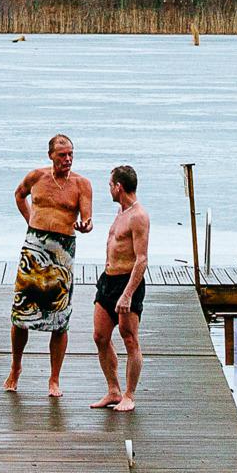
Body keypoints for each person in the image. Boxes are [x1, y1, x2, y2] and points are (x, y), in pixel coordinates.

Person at [6, 134, 92, 395]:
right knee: (21, 313)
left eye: (71, 155)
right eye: (62, 155)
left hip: (62, 252)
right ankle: (15, 367)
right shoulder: (37, 177)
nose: (67, 159)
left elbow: (87, 217)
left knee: (60, 318)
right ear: (51, 155)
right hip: (34, 247)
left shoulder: (82, 184)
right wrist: (31, 219)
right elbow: (19, 195)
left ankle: (54, 379)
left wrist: (85, 225)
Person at [91, 165, 150, 411]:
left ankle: (129, 395)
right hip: (108, 281)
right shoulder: (120, 211)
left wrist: (127, 294)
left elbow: (142, 259)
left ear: (119, 187)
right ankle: (113, 390)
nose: (109, 189)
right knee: (100, 337)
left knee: (130, 339)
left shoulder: (138, 216)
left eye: (110, 185)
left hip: (128, 284)